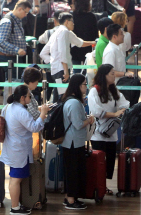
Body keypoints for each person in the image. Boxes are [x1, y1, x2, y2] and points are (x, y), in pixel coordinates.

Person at [0, 84, 48, 215]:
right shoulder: (21, 111)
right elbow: (34, 127)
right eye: (29, 96)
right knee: (16, 179)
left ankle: (16, 205)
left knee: (14, 177)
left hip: (13, 147)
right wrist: (42, 114)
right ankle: (14, 208)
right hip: (19, 149)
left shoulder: (9, 107)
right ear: (22, 97)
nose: (30, 98)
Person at [88, 64, 128, 193]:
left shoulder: (114, 90)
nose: (114, 75)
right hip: (98, 132)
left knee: (109, 162)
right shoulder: (94, 91)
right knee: (99, 161)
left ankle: (103, 186)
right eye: (111, 73)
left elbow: (125, 104)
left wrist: (121, 111)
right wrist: (114, 114)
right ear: (104, 75)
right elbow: (95, 111)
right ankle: (97, 187)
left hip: (111, 132)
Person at [40, 12, 94, 101]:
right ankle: (57, 114)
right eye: (72, 21)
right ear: (66, 22)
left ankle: (55, 114)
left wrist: (93, 43)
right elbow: (62, 52)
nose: (73, 23)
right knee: (62, 96)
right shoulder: (64, 32)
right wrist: (65, 70)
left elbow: (80, 43)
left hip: (57, 69)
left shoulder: (61, 32)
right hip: (62, 70)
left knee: (59, 95)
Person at [60, 74, 92, 210]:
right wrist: (89, 120)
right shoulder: (73, 103)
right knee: (73, 172)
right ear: (78, 86)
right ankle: (71, 201)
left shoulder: (72, 100)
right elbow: (78, 124)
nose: (86, 87)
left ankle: (70, 197)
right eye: (84, 84)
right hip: (72, 142)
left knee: (73, 171)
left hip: (73, 141)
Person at [0, 0, 32, 79]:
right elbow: (2, 41)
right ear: (20, 9)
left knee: (17, 80)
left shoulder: (18, 20)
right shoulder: (7, 22)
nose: (26, 15)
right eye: (25, 12)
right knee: (12, 82)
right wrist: (17, 50)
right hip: (9, 58)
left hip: (16, 58)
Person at [70, 0, 98, 67]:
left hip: (74, 48)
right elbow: (95, 34)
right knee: (88, 72)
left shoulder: (71, 16)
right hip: (88, 47)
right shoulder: (91, 16)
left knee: (76, 71)